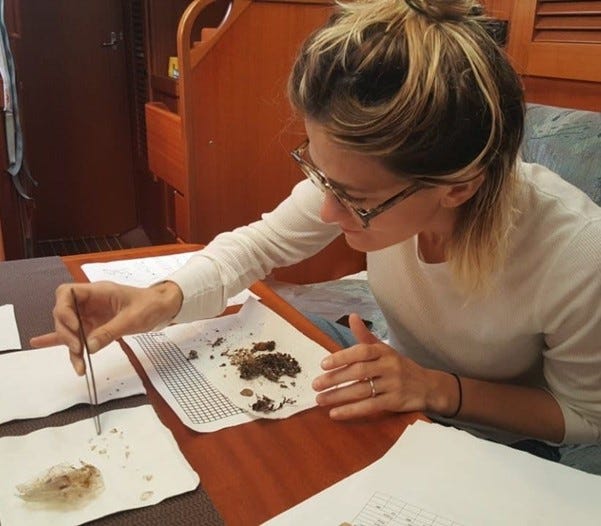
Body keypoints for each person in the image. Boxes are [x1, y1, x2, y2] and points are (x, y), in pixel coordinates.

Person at [32, 0, 601, 473]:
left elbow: (584, 415)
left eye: (356, 198)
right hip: (401, 402)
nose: (327, 211)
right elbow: (257, 246)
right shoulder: (369, 177)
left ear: (457, 188)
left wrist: (438, 389)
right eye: (321, 173)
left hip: (508, 447)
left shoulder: (575, 253)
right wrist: (159, 296)